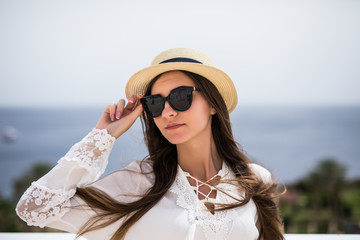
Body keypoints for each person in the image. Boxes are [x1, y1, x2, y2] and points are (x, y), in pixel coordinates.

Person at [16, 48, 284, 240]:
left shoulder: (255, 180)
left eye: (180, 97)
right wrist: (102, 137)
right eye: (154, 103)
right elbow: (34, 209)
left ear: (214, 104)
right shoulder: (137, 183)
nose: (167, 112)